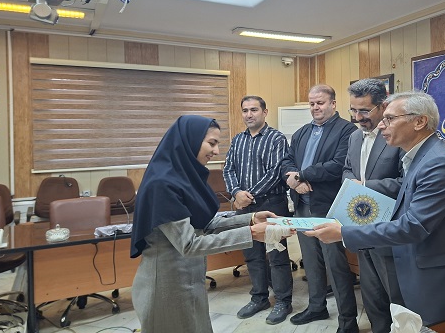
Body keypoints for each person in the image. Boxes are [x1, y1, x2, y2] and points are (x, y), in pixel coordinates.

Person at [306, 91, 445, 326]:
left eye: (389, 119)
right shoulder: (418, 158)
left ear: (419, 121)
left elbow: (413, 226)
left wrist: (344, 233)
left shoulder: (440, 163)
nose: (381, 125)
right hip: (420, 266)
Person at [130, 115, 292, 333]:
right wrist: (252, 233)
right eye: (212, 143)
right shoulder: (162, 184)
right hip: (166, 287)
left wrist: (251, 218)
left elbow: (204, 224)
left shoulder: (183, 177)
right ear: (190, 141)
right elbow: (189, 244)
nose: (216, 151)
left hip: (188, 280)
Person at [281, 84, 359, 333]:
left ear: (333, 104)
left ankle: (347, 321)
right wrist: (293, 178)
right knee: (311, 263)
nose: (315, 107)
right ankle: (317, 307)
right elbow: (287, 161)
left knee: (335, 266)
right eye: (312, 103)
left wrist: (302, 175)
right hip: (302, 206)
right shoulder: (302, 132)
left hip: (328, 208)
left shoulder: (347, 130)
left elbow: (338, 165)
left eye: (320, 103)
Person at [223, 96, 294, 325]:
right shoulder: (238, 140)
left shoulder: (276, 138)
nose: (249, 114)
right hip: (245, 207)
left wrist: (247, 195)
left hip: (272, 204)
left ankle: (283, 301)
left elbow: (275, 172)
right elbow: (228, 169)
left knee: (277, 255)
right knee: (252, 256)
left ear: (265, 112)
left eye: (254, 109)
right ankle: (259, 298)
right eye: (245, 110)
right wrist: (236, 193)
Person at [343, 79, 404, 333]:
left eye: (364, 111)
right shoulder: (354, 137)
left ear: (383, 106)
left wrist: (366, 185)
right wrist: (351, 184)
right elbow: (348, 169)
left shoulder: (398, 137)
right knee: (372, 296)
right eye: (353, 110)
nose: (358, 118)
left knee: (396, 297)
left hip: (390, 230)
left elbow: (407, 182)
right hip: (362, 226)